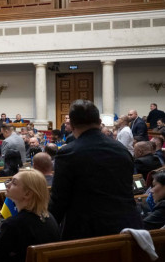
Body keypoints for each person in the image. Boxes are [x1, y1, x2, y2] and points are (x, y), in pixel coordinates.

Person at [49, 100, 142, 241]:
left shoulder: (68, 153)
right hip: (128, 228)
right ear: (99, 122)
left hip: (88, 234)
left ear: (72, 125)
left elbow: (59, 200)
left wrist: (48, 230)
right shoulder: (121, 149)